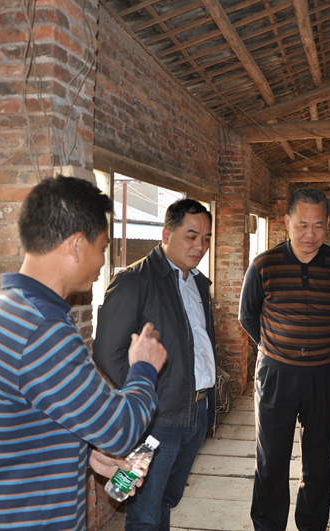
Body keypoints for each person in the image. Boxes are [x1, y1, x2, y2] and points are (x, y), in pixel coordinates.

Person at [0, 177, 167, 531]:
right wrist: (144, 368)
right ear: (77, 245)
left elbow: (26, 425)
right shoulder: (41, 330)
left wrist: (87, 454)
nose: (102, 261)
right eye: (102, 247)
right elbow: (120, 429)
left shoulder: (4, 309)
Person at [93, 198, 216, 530]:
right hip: (157, 419)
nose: (200, 246)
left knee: (166, 502)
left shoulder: (198, 283)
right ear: (166, 234)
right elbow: (107, 351)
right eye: (192, 236)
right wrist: (145, 395)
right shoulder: (134, 281)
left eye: (206, 238)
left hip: (196, 412)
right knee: (145, 512)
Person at [239, 188, 330, 531]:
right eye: (302, 225)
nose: (310, 234)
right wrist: (278, 349)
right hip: (276, 376)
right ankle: (268, 526)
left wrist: (313, 345)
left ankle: (312, 525)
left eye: (318, 226)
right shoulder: (264, 265)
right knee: (271, 459)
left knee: (318, 461)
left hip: (323, 375)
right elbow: (248, 316)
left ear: (328, 224)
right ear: (287, 222)